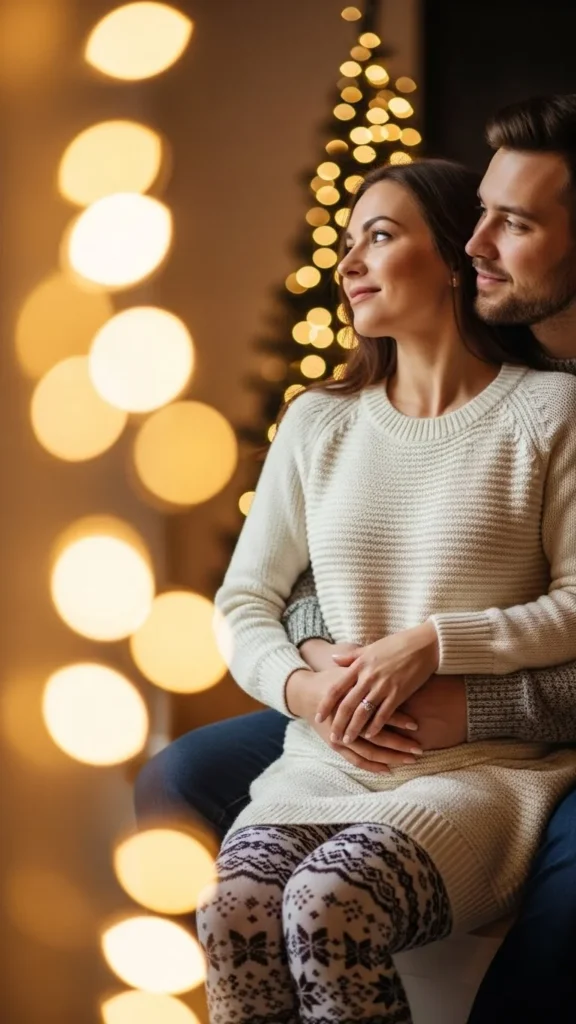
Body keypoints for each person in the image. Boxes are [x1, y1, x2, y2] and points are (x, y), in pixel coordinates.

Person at [135, 96, 576, 1021]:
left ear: (450, 261)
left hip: (486, 764)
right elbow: (253, 596)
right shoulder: (318, 421)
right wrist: (309, 684)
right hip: (327, 752)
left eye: (379, 236)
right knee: (238, 906)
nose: (348, 263)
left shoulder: (549, 414)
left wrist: (434, 646)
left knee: (329, 905)